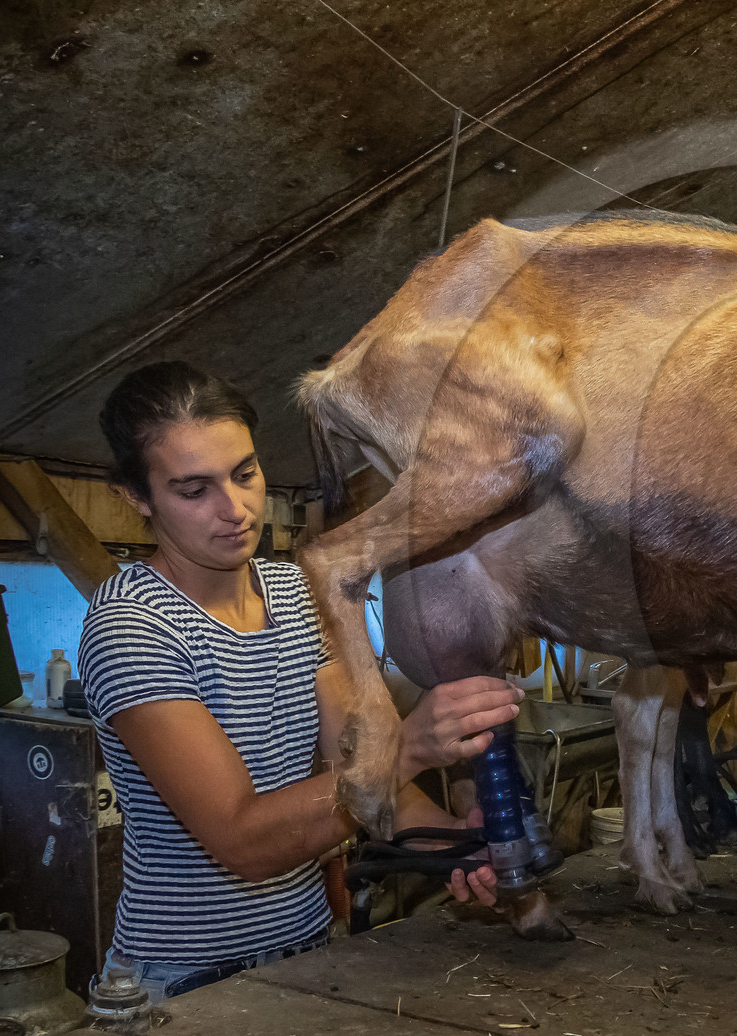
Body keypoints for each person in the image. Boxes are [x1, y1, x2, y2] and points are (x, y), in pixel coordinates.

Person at [79, 361, 517, 1003]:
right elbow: (243, 841)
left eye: (245, 474)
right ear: (136, 497)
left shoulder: (295, 593)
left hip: (306, 960)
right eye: (193, 490)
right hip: (184, 985)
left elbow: (362, 769)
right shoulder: (131, 626)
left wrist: (453, 842)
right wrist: (411, 747)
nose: (235, 510)